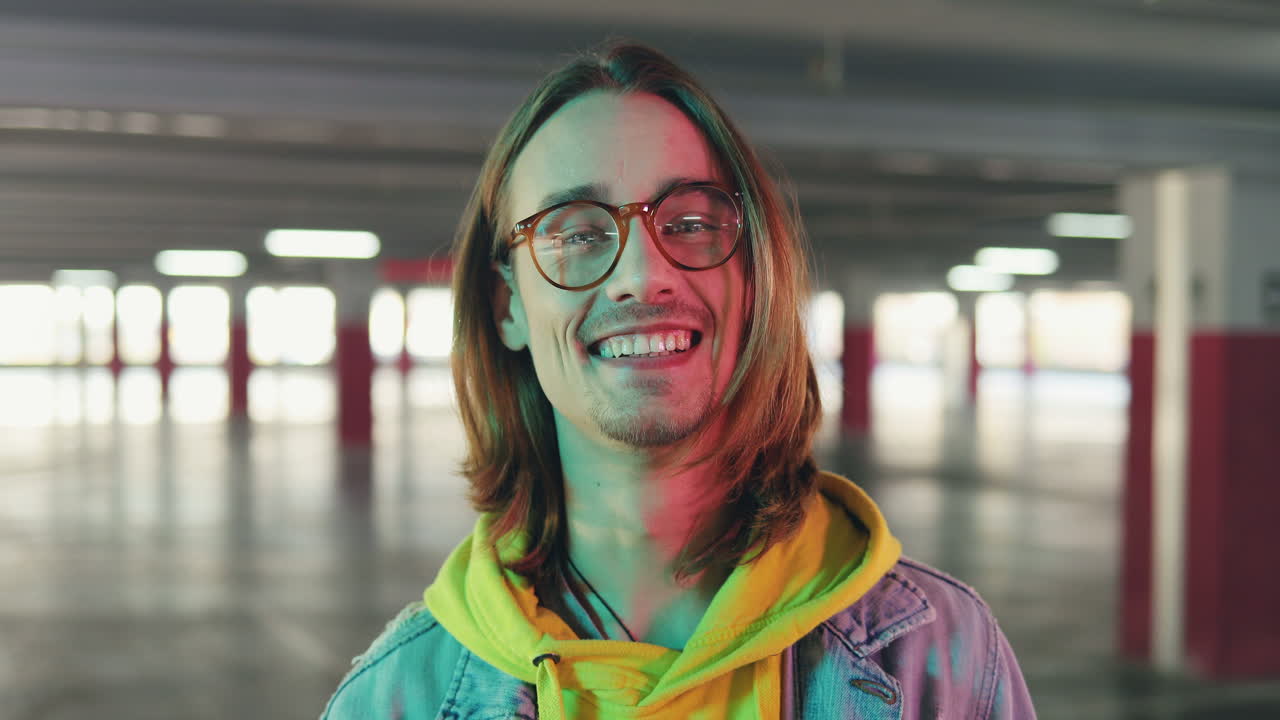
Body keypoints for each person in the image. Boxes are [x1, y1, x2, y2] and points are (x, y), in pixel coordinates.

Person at [321, 41, 1035, 719]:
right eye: (576, 233)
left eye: (690, 222)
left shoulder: (944, 660)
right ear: (507, 305)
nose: (642, 275)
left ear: (752, 277)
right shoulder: (394, 699)